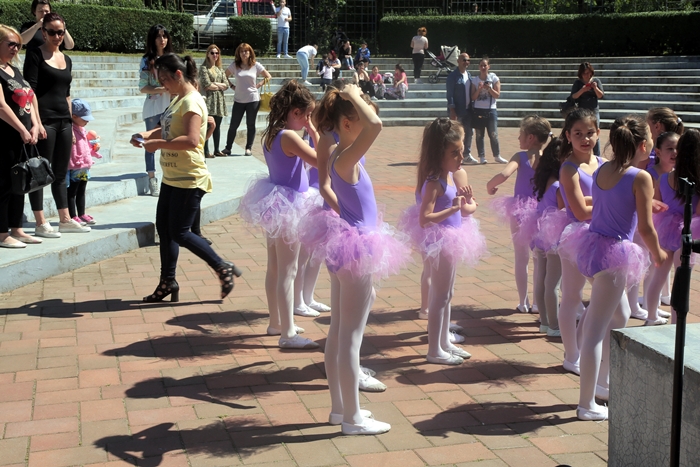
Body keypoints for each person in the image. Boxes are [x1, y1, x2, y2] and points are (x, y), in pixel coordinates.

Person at [311, 83, 410, 435]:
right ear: (348, 123)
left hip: (345, 248)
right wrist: (353, 95)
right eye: (361, 118)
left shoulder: (340, 153)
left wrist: (353, 100)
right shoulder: (345, 157)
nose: (368, 121)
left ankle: (340, 409)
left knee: (339, 333)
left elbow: (372, 123)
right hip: (357, 251)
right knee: (350, 338)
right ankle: (352, 418)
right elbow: (377, 125)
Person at [571, 115, 664, 421]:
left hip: (593, 249)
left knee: (621, 315)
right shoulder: (640, 177)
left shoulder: (602, 169)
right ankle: (587, 403)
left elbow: (607, 205)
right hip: (615, 256)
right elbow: (646, 229)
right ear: (643, 145)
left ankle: (602, 382)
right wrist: (659, 253)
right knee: (596, 331)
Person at [130, 54, 242, 303]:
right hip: (172, 177)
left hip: (189, 178)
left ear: (178, 75)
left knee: (180, 232)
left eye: (165, 80)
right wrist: (145, 135)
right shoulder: (178, 99)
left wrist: (157, 144)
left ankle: (221, 266)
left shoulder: (191, 101)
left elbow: (191, 140)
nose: (162, 85)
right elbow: (168, 128)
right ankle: (168, 281)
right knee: (165, 231)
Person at [237, 80, 320, 350]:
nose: (309, 120)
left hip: (277, 203)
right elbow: (320, 160)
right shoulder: (290, 137)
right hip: (290, 206)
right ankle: (288, 333)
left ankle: (276, 322)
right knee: (289, 269)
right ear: (295, 112)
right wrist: (314, 132)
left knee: (275, 267)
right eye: (307, 115)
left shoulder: (272, 133)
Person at [399, 118, 485, 365]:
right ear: (439, 155)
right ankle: (434, 349)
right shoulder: (434, 183)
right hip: (440, 241)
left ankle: (444, 341)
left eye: (461, 151)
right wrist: (453, 208)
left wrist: (465, 203)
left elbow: (463, 209)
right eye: (454, 153)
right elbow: (424, 218)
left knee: (447, 293)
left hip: (452, 239)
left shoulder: (448, 177)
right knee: (439, 296)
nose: (461, 157)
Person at [24, 12, 89, 237]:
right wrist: (36, 123)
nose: (57, 36)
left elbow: (67, 94)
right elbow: (29, 92)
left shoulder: (66, 59)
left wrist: (71, 124)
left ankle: (65, 219)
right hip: (45, 121)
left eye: (60, 32)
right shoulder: (35, 54)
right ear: (43, 32)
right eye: (51, 32)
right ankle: (40, 222)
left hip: (63, 121)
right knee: (40, 172)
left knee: (61, 173)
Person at [555, 108, 603, 376]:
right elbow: (580, 211)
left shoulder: (604, 163)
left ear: (598, 133)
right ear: (568, 136)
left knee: (601, 296)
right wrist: (608, 204)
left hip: (602, 234)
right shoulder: (568, 168)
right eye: (578, 134)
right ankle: (571, 354)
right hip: (577, 236)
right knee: (572, 295)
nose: (585, 139)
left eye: (589, 133)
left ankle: (581, 346)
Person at [487, 116, 552, 313]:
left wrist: (490, 185)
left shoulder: (521, 156)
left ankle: (523, 301)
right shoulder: (549, 158)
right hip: (542, 210)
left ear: (530, 137)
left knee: (521, 256)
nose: (518, 138)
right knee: (539, 257)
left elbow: (505, 174)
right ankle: (537, 302)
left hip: (520, 211)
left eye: (520, 134)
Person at [646, 130, 699, 325]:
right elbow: (698, 212)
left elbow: (658, 205)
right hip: (687, 233)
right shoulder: (697, 180)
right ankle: (677, 324)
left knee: (658, 278)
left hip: (665, 230)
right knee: (682, 283)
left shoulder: (664, 178)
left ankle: (651, 316)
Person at [0, 24, 44, 248]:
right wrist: (22, 129)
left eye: (18, 45)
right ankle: (2, 233)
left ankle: (16, 228)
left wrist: (35, 124)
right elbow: (1, 107)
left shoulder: (13, 69)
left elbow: (29, 96)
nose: (16, 48)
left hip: (22, 136)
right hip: (5, 136)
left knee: (20, 183)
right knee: (4, 185)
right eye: (11, 44)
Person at [531, 137, 565, 336]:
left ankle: (544, 322)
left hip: (541, 235)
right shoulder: (559, 185)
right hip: (555, 238)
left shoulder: (545, 181)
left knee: (541, 280)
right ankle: (554, 326)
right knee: (553, 284)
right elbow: (565, 210)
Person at [139, 25, 172, 196]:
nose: (162, 40)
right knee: (151, 144)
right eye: (158, 36)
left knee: (170, 142)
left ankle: (170, 177)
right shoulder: (147, 60)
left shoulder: (171, 59)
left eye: (164, 36)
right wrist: (162, 89)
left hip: (170, 106)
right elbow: (143, 87)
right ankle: (152, 179)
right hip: (153, 108)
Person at [223, 43, 271, 157]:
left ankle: (248, 148)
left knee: (251, 124)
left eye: (246, 51)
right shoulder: (235, 65)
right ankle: (228, 148)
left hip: (253, 99)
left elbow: (268, 76)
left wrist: (258, 85)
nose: (244, 53)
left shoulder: (256, 65)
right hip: (239, 99)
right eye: (241, 51)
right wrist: (232, 86)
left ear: (250, 53)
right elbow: (224, 76)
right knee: (233, 125)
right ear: (238, 53)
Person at [67, 99, 101, 226]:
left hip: (84, 166)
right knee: (72, 192)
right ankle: (73, 215)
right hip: (75, 165)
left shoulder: (82, 129)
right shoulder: (70, 129)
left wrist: (94, 149)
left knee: (81, 190)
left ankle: (81, 213)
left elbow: (85, 145)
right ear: (74, 116)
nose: (87, 121)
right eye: (84, 119)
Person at [471, 56, 506, 164]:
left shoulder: (494, 78)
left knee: (493, 134)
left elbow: (497, 95)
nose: (483, 68)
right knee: (479, 135)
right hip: (478, 110)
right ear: (479, 67)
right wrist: (479, 89)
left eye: (485, 65)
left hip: (491, 110)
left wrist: (489, 88)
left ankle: (497, 155)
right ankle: (481, 156)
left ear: (488, 66)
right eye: (481, 65)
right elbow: (473, 97)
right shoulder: (475, 80)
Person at [198, 44, 228, 158]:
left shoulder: (219, 69)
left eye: (217, 53)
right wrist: (219, 85)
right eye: (212, 53)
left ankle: (217, 149)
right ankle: (205, 151)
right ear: (208, 55)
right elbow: (206, 84)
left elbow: (226, 85)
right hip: (208, 100)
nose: (215, 55)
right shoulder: (203, 68)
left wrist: (214, 84)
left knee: (217, 126)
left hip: (219, 100)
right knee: (208, 125)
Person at [446, 53, 476, 164]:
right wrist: (452, 110)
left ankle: (466, 154)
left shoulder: (469, 75)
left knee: (469, 132)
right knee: (456, 134)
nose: (466, 62)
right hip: (457, 110)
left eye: (468, 60)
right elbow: (450, 95)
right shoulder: (452, 76)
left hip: (468, 110)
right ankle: (453, 155)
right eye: (464, 60)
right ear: (458, 61)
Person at [570, 62, 604, 156]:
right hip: (582, 111)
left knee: (594, 132)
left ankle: (597, 155)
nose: (586, 75)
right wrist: (582, 90)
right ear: (581, 74)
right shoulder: (578, 83)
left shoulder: (596, 81)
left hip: (594, 110)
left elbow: (601, 96)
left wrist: (595, 88)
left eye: (588, 73)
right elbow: (573, 96)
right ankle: (581, 153)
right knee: (582, 132)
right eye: (584, 73)